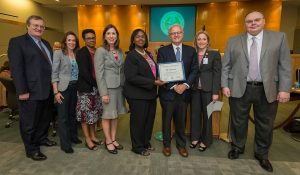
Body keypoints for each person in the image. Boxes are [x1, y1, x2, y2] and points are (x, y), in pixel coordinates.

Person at [221, 11, 292, 172]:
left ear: (264, 21)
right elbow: (226, 65)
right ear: (244, 24)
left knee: (265, 124)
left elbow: (285, 65)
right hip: (239, 87)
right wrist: (225, 85)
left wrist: (285, 89)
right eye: (249, 21)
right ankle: (238, 147)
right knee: (238, 121)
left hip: (267, 89)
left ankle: (262, 154)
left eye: (256, 20)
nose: (253, 23)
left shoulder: (279, 38)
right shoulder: (233, 40)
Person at [8, 15, 57, 161]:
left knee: (44, 118)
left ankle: (42, 138)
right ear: (27, 26)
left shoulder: (46, 43)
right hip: (30, 91)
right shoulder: (17, 42)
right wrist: (22, 91)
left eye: (42, 26)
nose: (39, 28)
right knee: (29, 121)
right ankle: (31, 149)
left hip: (47, 89)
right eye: (35, 25)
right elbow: (16, 69)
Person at [157, 24, 198, 157]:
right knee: (166, 120)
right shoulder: (162, 51)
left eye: (178, 32)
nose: (176, 35)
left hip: (184, 93)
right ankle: (167, 145)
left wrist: (185, 85)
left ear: (183, 33)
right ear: (169, 36)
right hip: (168, 93)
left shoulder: (191, 51)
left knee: (181, 121)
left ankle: (181, 145)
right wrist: (175, 86)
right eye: (173, 33)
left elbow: (194, 70)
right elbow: (161, 71)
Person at [124, 29, 166, 156]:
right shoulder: (131, 55)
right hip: (137, 95)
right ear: (133, 40)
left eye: (143, 36)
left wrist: (159, 77)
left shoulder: (147, 53)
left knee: (148, 120)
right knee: (138, 122)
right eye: (137, 37)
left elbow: (152, 71)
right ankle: (137, 147)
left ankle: (145, 142)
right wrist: (153, 82)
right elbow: (131, 77)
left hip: (150, 94)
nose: (140, 38)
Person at [94, 24, 127, 154]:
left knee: (115, 115)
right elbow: (99, 73)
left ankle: (113, 139)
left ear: (117, 36)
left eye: (114, 33)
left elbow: (122, 70)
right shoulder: (100, 51)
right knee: (107, 116)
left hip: (119, 88)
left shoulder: (119, 51)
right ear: (104, 36)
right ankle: (108, 140)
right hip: (108, 89)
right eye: (108, 33)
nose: (111, 36)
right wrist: (103, 93)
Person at [190, 31, 221, 151]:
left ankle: (206, 140)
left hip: (209, 90)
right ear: (196, 41)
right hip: (194, 90)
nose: (201, 41)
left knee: (208, 115)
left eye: (204, 39)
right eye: (199, 39)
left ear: (208, 41)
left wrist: (215, 92)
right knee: (195, 114)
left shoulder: (214, 54)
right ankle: (195, 138)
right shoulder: (193, 53)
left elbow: (217, 74)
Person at [52, 31, 82, 154]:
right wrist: (56, 92)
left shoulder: (76, 53)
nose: (71, 42)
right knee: (63, 117)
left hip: (75, 87)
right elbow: (54, 73)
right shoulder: (59, 53)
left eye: (74, 40)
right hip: (63, 89)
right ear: (65, 41)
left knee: (72, 115)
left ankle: (73, 137)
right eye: (69, 40)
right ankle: (65, 144)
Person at [76, 29, 103, 151]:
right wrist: (97, 84)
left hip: (96, 88)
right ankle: (87, 138)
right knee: (85, 115)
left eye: (93, 37)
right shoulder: (81, 52)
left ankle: (93, 136)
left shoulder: (97, 51)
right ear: (84, 40)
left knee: (93, 114)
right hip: (86, 89)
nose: (91, 40)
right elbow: (85, 73)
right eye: (88, 38)